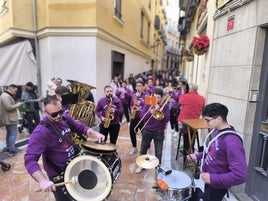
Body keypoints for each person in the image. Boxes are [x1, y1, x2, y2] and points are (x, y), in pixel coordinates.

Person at [24, 96, 105, 201]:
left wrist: (95, 134)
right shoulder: (40, 133)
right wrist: (43, 181)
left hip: (74, 166)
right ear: (45, 113)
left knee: (80, 195)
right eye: (54, 114)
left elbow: (80, 127)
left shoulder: (65, 118)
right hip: (59, 174)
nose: (59, 116)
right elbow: (29, 160)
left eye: (60, 111)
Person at [187, 103, 248, 201]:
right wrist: (198, 156)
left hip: (215, 187)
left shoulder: (232, 142)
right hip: (205, 179)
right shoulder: (217, 131)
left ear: (219, 119)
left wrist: (211, 178)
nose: (205, 122)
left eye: (207, 120)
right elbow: (213, 152)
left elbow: (241, 175)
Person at [136, 88, 170, 173]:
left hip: (159, 131)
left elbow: (167, 119)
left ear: (161, 98)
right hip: (147, 130)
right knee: (143, 149)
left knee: (158, 152)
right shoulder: (148, 104)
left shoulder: (164, 106)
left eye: (158, 98)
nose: (156, 99)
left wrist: (160, 111)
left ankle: (157, 167)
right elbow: (141, 116)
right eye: (154, 97)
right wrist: (150, 112)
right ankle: (141, 165)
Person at [178, 83, 205, 157]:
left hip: (186, 123)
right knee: (192, 137)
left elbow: (180, 101)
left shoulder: (186, 96)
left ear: (190, 89)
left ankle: (186, 155)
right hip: (195, 123)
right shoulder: (202, 98)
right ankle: (191, 151)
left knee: (187, 138)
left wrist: (183, 92)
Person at [0, 84, 23, 156]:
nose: (15, 92)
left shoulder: (4, 95)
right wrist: (18, 104)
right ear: (11, 89)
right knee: (13, 134)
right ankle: (12, 150)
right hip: (10, 119)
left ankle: (9, 148)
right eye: (15, 91)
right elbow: (8, 107)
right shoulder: (6, 96)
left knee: (9, 134)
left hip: (8, 118)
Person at [128, 79, 147, 155]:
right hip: (134, 116)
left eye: (140, 86)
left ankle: (147, 148)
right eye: (137, 86)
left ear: (143, 87)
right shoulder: (133, 95)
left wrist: (141, 103)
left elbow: (148, 106)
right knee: (132, 132)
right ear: (135, 87)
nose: (138, 87)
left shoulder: (146, 95)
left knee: (145, 134)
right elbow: (130, 104)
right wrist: (132, 108)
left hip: (142, 117)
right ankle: (134, 147)